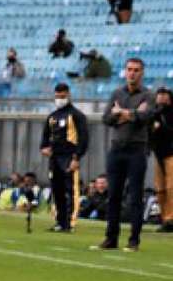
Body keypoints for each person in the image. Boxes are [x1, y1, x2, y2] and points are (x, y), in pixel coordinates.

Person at [92, 58, 154, 252]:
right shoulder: (117, 93)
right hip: (117, 149)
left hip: (137, 149)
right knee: (114, 196)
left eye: (136, 70)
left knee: (135, 196)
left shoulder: (148, 95)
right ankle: (111, 238)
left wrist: (122, 113)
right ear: (125, 71)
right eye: (129, 69)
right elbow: (107, 118)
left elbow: (146, 117)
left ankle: (134, 240)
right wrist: (132, 114)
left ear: (142, 73)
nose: (132, 73)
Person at [40, 83, 89, 233]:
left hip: (69, 157)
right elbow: (44, 139)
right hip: (54, 158)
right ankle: (59, 221)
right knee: (57, 190)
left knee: (71, 190)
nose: (59, 99)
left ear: (68, 95)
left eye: (62, 97)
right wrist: (44, 149)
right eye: (57, 97)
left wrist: (76, 158)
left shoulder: (76, 115)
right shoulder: (52, 117)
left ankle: (70, 222)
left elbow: (84, 138)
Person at [151, 87, 173, 232]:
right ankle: (165, 218)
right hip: (158, 154)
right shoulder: (155, 113)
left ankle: (171, 218)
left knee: (171, 187)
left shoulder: (170, 114)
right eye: (159, 94)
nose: (161, 97)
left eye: (164, 95)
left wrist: (161, 126)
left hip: (171, 153)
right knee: (160, 189)